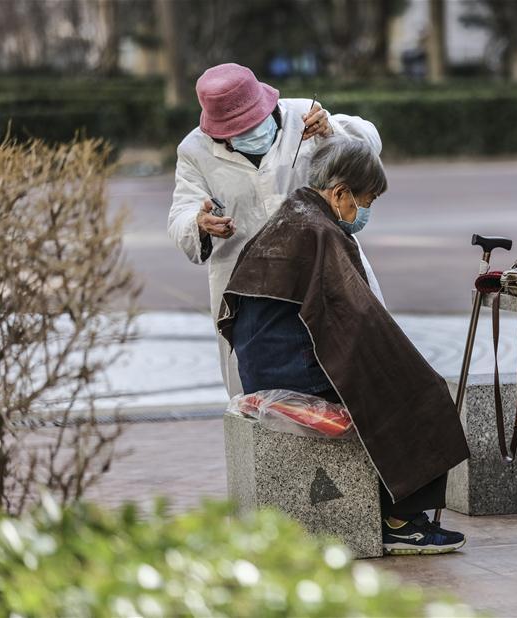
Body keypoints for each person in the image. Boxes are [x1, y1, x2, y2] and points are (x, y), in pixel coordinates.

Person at [217, 137, 470, 555]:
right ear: (339, 193)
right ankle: (402, 520)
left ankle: (394, 510)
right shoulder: (320, 231)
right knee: (422, 392)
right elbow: (360, 320)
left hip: (264, 365)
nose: (365, 211)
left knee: (400, 381)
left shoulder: (286, 219)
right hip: (298, 370)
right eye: (366, 200)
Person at [167, 63, 383, 397]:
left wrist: (331, 133)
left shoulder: (305, 116)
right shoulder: (194, 151)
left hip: (324, 272)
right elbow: (181, 212)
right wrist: (199, 222)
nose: (248, 132)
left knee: (354, 377)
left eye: (253, 123)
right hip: (252, 294)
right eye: (235, 130)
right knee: (266, 396)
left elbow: (368, 146)